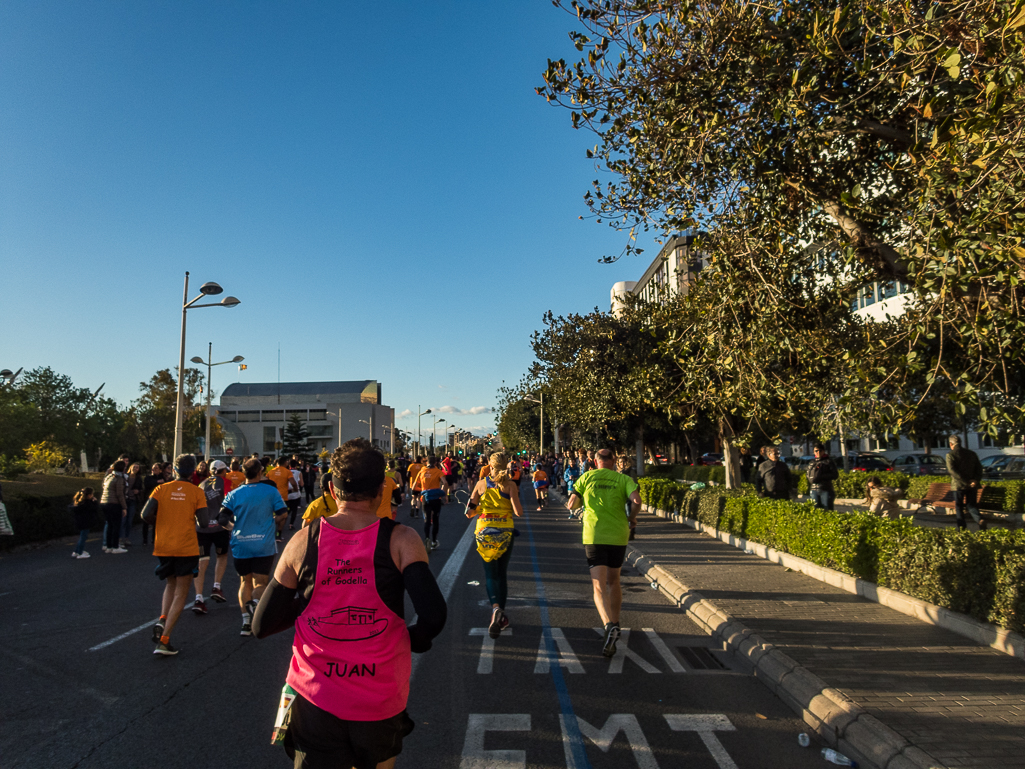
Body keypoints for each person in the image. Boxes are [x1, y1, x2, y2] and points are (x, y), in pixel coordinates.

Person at [252, 439, 447, 769]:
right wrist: (412, 638)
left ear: (331, 488)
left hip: (314, 696)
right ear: (381, 489)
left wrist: (313, 603)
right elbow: (433, 614)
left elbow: (262, 625)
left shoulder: (303, 541)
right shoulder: (402, 540)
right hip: (379, 696)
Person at [566, 448, 641, 658]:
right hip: (618, 534)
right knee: (614, 581)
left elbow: (572, 503)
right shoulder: (622, 479)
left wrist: (576, 505)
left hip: (594, 535)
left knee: (598, 584)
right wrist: (632, 518)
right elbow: (636, 501)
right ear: (613, 460)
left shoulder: (586, 477)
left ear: (594, 461)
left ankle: (609, 625)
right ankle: (616, 621)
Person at [140, 454, 210, 656]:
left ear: (174, 470)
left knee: (170, 583)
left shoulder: (161, 489)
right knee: (182, 590)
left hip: (164, 544)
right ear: (193, 471)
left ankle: (163, 618)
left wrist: (162, 522)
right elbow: (204, 523)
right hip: (186, 546)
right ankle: (164, 639)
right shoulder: (196, 492)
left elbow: (145, 515)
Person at [218, 458, 289, 636]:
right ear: (260, 473)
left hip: (241, 543)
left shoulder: (235, 493)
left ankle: (246, 622)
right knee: (261, 582)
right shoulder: (270, 491)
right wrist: (275, 526)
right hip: (263, 542)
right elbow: (283, 514)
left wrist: (233, 529)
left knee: (244, 581)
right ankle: (256, 605)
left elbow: (222, 519)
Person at [466, 453, 524, 637]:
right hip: (505, 531)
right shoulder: (510, 485)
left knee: (490, 575)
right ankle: (501, 614)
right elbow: (518, 512)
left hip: (484, 532)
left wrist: (478, 508)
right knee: (501, 574)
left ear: (489, 466)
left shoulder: (480, 484)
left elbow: (469, 512)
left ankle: (495, 608)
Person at [193, 460, 234, 613]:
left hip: (202, 527)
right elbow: (229, 500)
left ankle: (198, 598)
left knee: (202, 561)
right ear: (223, 471)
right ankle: (216, 586)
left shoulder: (202, 484)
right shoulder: (225, 482)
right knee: (222, 556)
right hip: (219, 526)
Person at [945, 435, 985, 530]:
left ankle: (962, 528)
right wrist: (975, 480)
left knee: (959, 507)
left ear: (951, 444)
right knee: (971, 505)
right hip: (972, 485)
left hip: (958, 486)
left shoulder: (950, 455)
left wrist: (965, 481)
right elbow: (979, 468)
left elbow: (952, 471)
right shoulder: (972, 453)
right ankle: (979, 520)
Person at [411, 456, 450, 552]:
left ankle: (427, 538)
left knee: (427, 519)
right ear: (436, 463)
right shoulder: (438, 472)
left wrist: (421, 491)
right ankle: (434, 541)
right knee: (436, 519)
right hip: (436, 498)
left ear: (426, 462)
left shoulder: (422, 471)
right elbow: (445, 483)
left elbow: (415, 485)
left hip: (425, 498)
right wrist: (443, 493)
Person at [100, 460, 128, 554]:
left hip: (104, 502)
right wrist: (124, 507)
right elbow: (120, 494)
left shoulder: (109, 477)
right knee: (116, 525)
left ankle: (108, 546)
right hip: (114, 503)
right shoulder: (119, 479)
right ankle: (115, 546)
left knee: (110, 525)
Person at [806, 443, 839, 510]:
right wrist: (812, 479)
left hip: (825, 489)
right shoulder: (812, 462)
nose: (818, 452)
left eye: (820, 450)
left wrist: (821, 476)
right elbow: (808, 474)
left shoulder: (828, 462)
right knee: (815, 509)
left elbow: (835, 475)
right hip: (813, 489)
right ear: (813, 451)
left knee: (826, 508)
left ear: (823, 451)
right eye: (816, 451)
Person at [69, 487, 98, 558]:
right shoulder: (88, 503)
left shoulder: (78, 503)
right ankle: (80, 552)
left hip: (79, 522)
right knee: (83, 537)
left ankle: (77, 551)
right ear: (89, 495)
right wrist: (95, 502)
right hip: (86, 522)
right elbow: (94, 509)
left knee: (82, 536)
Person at [141, 463, 165, 546]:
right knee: (146, 519)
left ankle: (154, 538)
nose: (154, 470)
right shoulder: (148, 478)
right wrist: (157, 482)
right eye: (153, 468)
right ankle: (144, 539)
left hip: (159, 501)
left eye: (156, 468)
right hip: (149, 500)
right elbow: (147, 484)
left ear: (160, 470)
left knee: (157, 520)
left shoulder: (163, 478)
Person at [122, 463, 143, 547]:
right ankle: (120, 538)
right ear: (130, 468)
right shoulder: (125, 477)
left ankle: (126, 538)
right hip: (124, 500)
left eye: (137, 467)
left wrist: (138, 491)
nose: (135, 468)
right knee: (123, 520)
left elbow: (141, 489)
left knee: (129, 521)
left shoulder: (139, 478)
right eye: (134, 467)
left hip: (133, 500)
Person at [287, 459, 305, 530]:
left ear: (289, 465)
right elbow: (301, 483)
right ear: (296, 465)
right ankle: (291, 524)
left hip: (287, 493)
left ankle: (281, 522)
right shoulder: (299, 473)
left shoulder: (286, 472)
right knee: (294, 510)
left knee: (287, 509)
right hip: (296, 493)